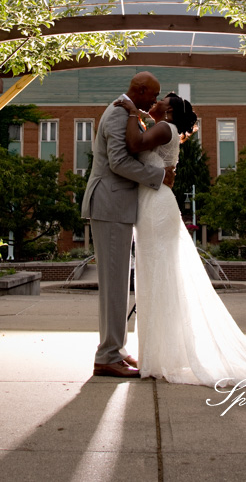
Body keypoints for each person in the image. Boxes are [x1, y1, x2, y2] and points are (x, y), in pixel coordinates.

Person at [114, 92, 246, 387]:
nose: (156, 101)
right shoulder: (166, 128)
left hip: (155, 207)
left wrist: (128, 111)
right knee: (155, 277)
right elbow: (148, 142)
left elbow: (135, 145)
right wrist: (138, 117)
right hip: (154, 203)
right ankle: (159, 355)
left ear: (171, 111)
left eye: (162, 99)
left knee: (157, 276)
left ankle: (160, 357)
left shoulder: (165, 129)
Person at [82, 72, 175, 379]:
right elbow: (119, 162)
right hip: (110, 206)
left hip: (118, 207)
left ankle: (116, 350)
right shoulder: (117, 114)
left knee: (119, 282)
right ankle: (107, 356)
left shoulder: (128, 112)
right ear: (141, 89)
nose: (154, 100)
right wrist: (159, 177)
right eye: (153, 94)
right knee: (113, 284)